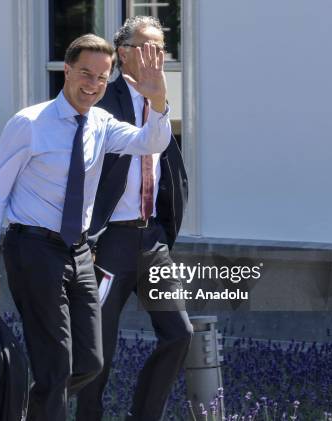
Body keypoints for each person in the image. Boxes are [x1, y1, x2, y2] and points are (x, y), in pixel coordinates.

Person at [0, 34, 172, 420]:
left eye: (102, 77)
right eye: (85, 73)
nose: (93, 84)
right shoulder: (29, 124)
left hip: (79, 252)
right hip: (33, 249)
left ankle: (19, 410)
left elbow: (151, 143)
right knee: (55, 365)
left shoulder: (102, 123)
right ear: (66, 70)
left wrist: (158, 100)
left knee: (91, 362)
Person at [76, 17, 193, 421]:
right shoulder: (101, 100)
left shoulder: (158, 97)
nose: (155, 56)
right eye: (146, 46)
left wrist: (158, 100)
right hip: (108, 243)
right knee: (98, 348)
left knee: (180, 335)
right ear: (123, 53)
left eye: (161, 48)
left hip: (152, 239)